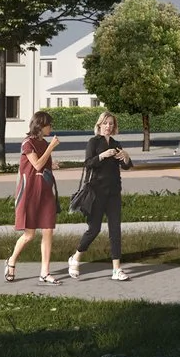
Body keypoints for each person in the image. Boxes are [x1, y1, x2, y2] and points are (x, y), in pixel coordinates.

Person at [69, 111, 135, 282]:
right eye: (105, 123)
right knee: (94, 229)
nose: (108, 126)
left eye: (111, 124)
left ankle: (116, 270)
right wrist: (102, 156)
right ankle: (75, 258)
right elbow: (88, 163)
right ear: (99, 125)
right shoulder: (93, 142)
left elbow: (126, 166)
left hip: (113, 192)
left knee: (115, 230)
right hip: (96, 193)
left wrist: (126, 157)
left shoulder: (116, 143)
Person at [5, 110, 62, 283]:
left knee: (48, 231)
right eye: (49, 125)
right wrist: (51, 147)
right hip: (30, 192)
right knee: (29, 235)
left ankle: (45, 272)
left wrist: (54, 164)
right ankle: (11, 261)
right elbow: (37, 164)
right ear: (41, 125)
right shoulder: (27, 144)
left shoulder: (44, 143)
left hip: (45, 192)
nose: (51, 128)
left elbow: (44, 164)